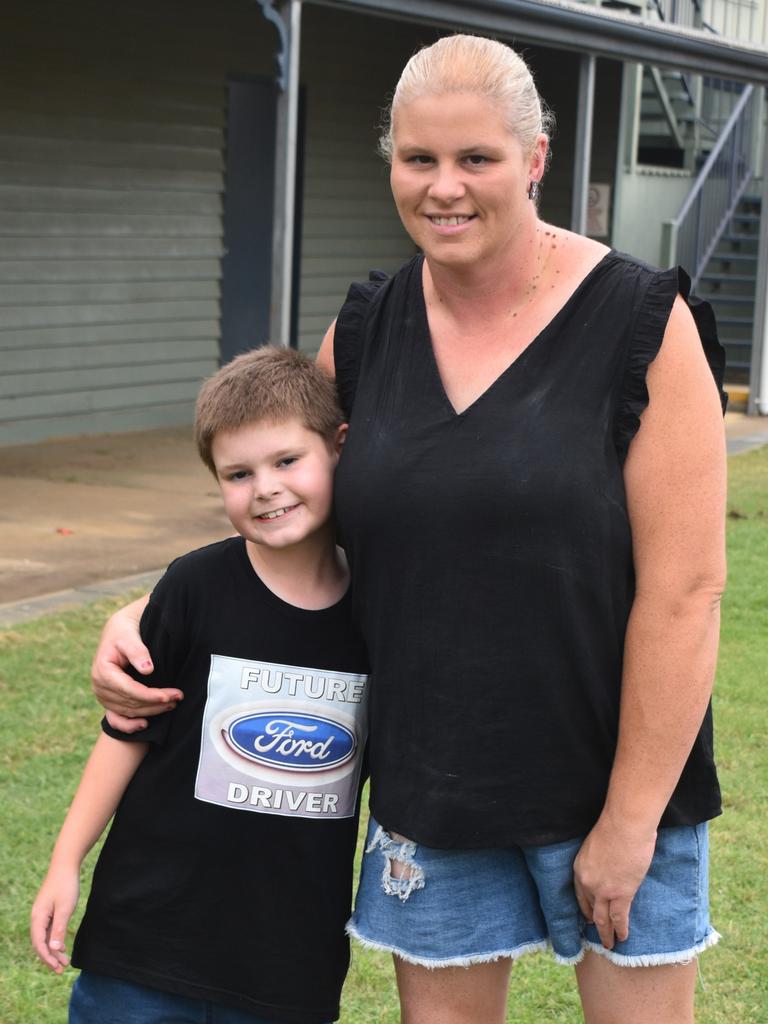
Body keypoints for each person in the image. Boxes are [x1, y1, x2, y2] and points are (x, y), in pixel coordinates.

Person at [90, 34, 727, 1024]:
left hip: (614, 785)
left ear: (536, 159)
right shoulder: (371, 328)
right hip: (432, 791)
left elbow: (686, 590)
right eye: (417, 158)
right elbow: (285, 514)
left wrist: (632, 816)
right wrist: (149, 613)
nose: (444, 187)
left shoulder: (641, 322)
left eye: (477, 158)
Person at [31, 347, 368, 1024]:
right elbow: (127, 730)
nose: (265, 488)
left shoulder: (382, 609)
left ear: (339, 446)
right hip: (144, 944)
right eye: (237, 474)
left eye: (286, 461)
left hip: (286, 962)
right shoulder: (192, 586)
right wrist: (66, 860)